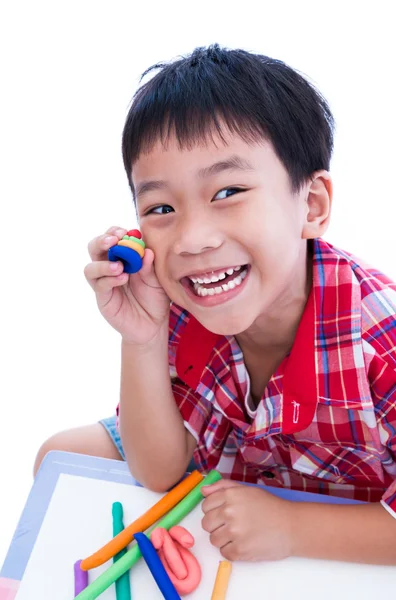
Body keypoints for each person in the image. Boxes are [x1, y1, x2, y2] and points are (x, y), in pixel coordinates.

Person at [34, 44, 396, 564]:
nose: (192, 239)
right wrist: (142, 337)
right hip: (224, 464)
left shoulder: (380, 342)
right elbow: (157, 470)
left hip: (344, 511)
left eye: (227, 192)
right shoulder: (181, 295)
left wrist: (293, 529)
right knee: (58, 458)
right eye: (162, 207)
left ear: (311, 206)